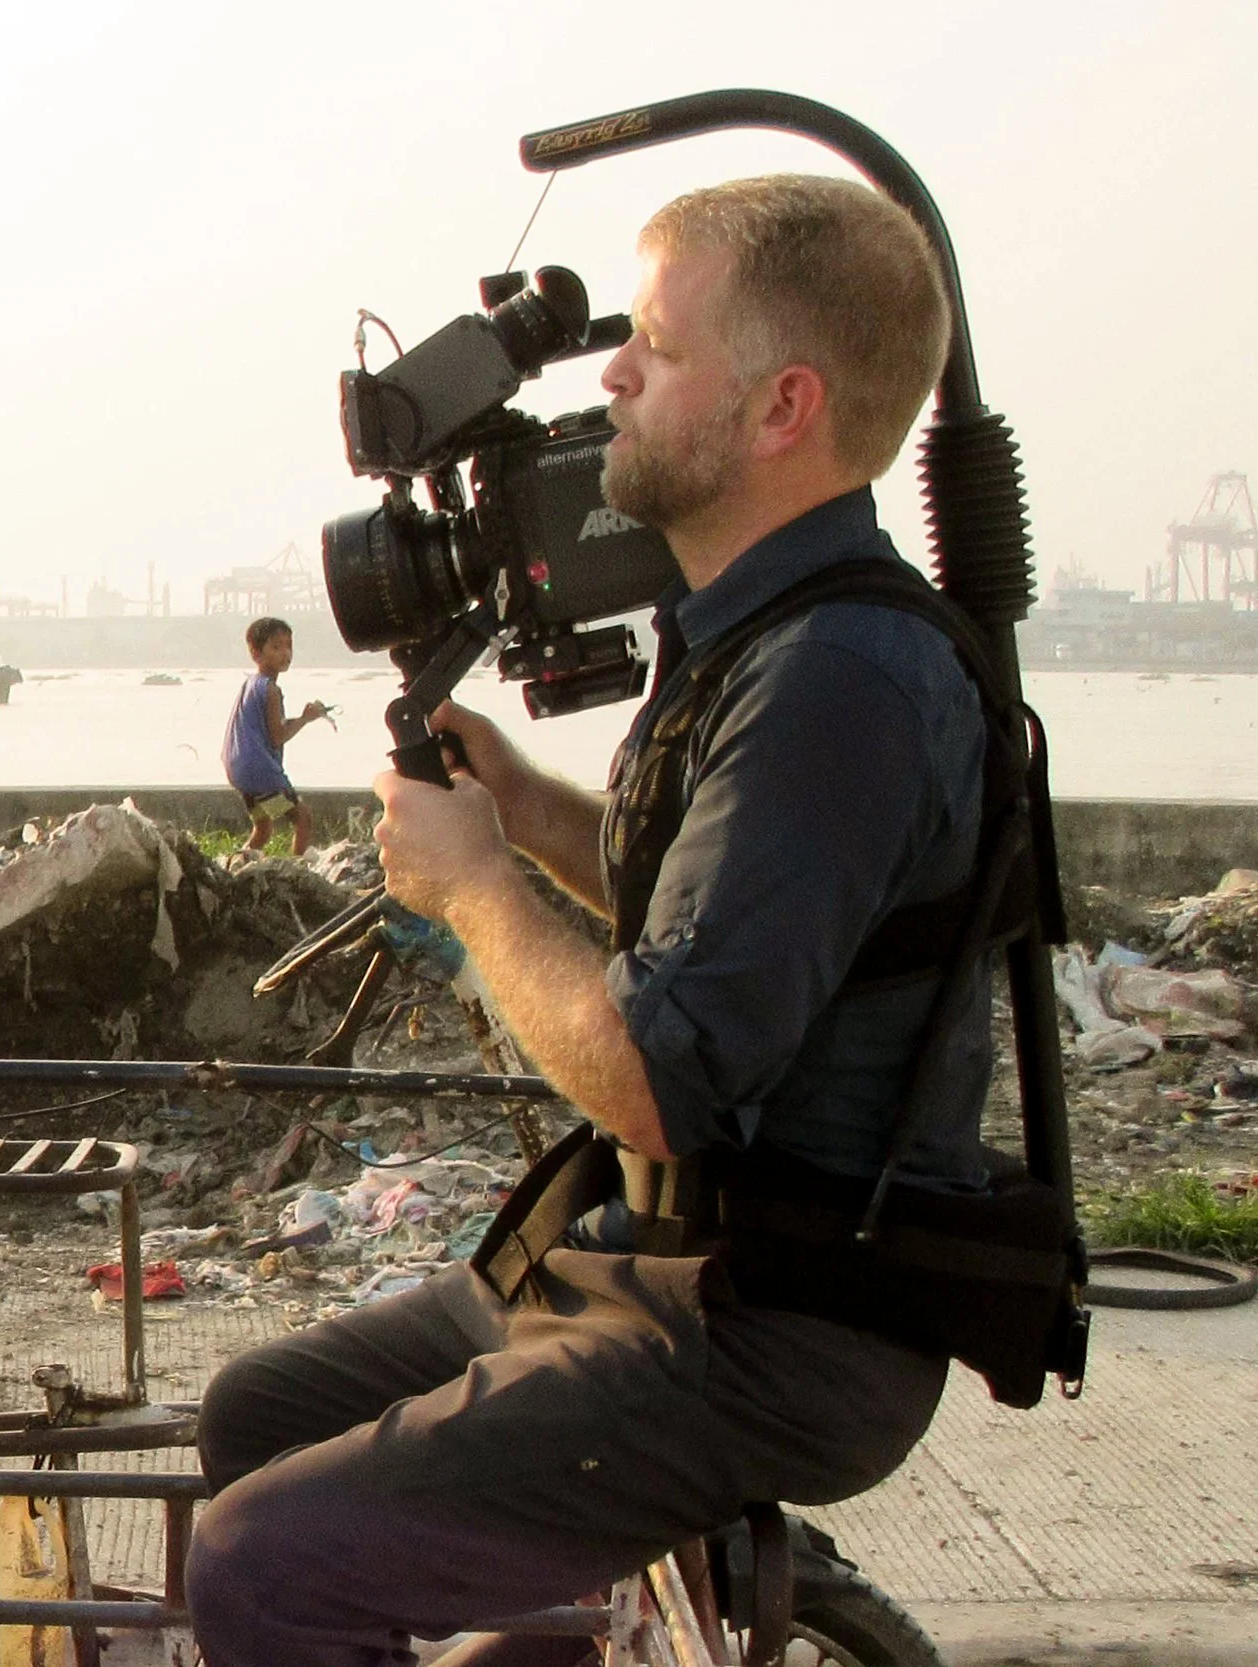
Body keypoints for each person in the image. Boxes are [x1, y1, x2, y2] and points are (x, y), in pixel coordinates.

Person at [187, 175, 985, 1665]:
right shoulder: (763, 638)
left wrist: (476, 885)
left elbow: (663, 1076)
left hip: (770, 1322)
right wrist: (538, 813)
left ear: (782, 407)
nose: (610, 373)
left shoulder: (835, 683)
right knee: (255, 1416)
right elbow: (738, 930)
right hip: (660, 1261)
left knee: (260, 1571)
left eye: (659, 352)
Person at [221, 616, 330, 856]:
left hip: (240, 770)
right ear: (256, 653)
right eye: (276, 647)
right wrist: (304, 720)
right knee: (303, 818)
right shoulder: (271, 690)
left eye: (289, 646)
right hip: (261, 772)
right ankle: (295, 871)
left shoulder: (252, 684)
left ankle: (235, 866)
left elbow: (270, 727)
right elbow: (277, 737)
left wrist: (303, 717)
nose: (285, 653)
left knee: (263, 828)